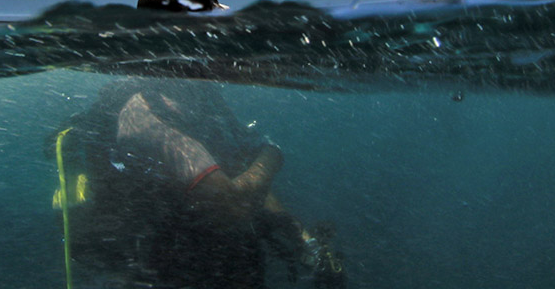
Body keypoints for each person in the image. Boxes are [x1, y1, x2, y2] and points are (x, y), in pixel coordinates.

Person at [48, 79, 346, 289]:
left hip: (214, 258)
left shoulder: (201, 98)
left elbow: (243, 170)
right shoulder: (141, 114)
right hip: (169, 268)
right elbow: (231, 204)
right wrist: (269, 155)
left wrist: (305, 242)